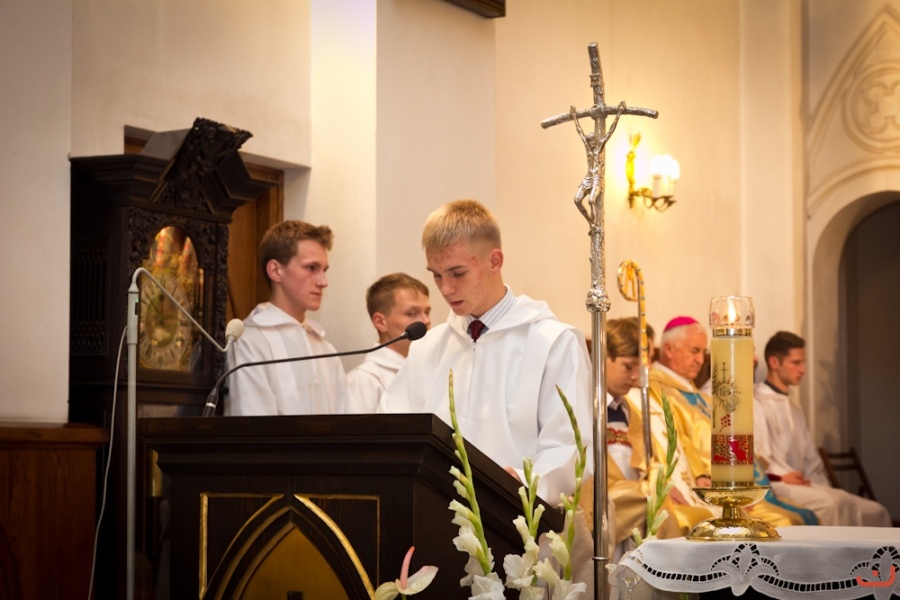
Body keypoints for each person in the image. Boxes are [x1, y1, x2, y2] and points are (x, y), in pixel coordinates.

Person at [378, 199, 592, 504]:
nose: (445, 288)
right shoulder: (427, 347)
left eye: (457, 273)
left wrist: (522, 482)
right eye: (436, 275)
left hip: (516, 516)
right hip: (433, 511)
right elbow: (393, 432)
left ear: (494, 261)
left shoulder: (552, 343)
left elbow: (570, 446)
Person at [644, 316, 817, 530]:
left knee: (802, 517)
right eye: (694, 351)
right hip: (706, 487)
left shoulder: (699, 396)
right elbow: (675, 442)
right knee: (785, 523)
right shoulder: (656, 391)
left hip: (729, 483)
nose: (701, 360)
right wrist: (710, 479)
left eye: (703, 352)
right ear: (669, 349)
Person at [754, 331, 892, 527]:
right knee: (831, 504)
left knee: (876, 511)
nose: (803, 370)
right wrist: (780, 476)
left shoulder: (794, 409)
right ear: (774, 362)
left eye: (803, 363)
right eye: (796, 363)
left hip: (804, 483)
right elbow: (758, 454)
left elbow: (811, 460)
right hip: (777, 483)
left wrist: (820, 484)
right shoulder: (757, 403)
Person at [578, 318, 680, 563]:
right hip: (600, 501)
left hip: (631, 511)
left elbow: (650, 459)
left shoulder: (629, 410)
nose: (635, 376)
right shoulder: (583, 404)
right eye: (628, 366)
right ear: (603, 357)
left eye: (639, 367)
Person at [224, 220, 349, 416]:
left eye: (324, 270)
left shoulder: (326, 349)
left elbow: (346, 419)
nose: (323, 282)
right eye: (311, 268)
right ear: (276, 271)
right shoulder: (250, 342)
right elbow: (251, 422)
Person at [346, 273, 432, 412]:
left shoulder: (426, 369)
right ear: (380, 322)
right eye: (411, 313)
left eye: (427, 312)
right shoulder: (365, 380)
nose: (426, 321)